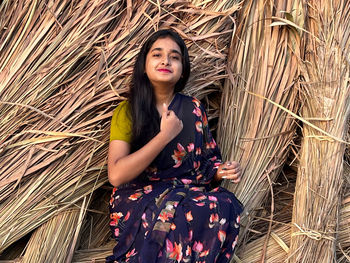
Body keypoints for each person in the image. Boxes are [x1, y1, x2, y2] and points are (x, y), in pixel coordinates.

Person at [107, 29, 243, 263]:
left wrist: (221, 171)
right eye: (157, 54)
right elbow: (117, 176)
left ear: (182, 69)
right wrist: (164, 136)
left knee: (224, 204)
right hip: (139, 197)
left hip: (186, 191)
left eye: (175, 57)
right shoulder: (128, 111)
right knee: (176, 215)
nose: (166, 61)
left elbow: (206, 162)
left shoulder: (193, 108)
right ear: (144, 65)